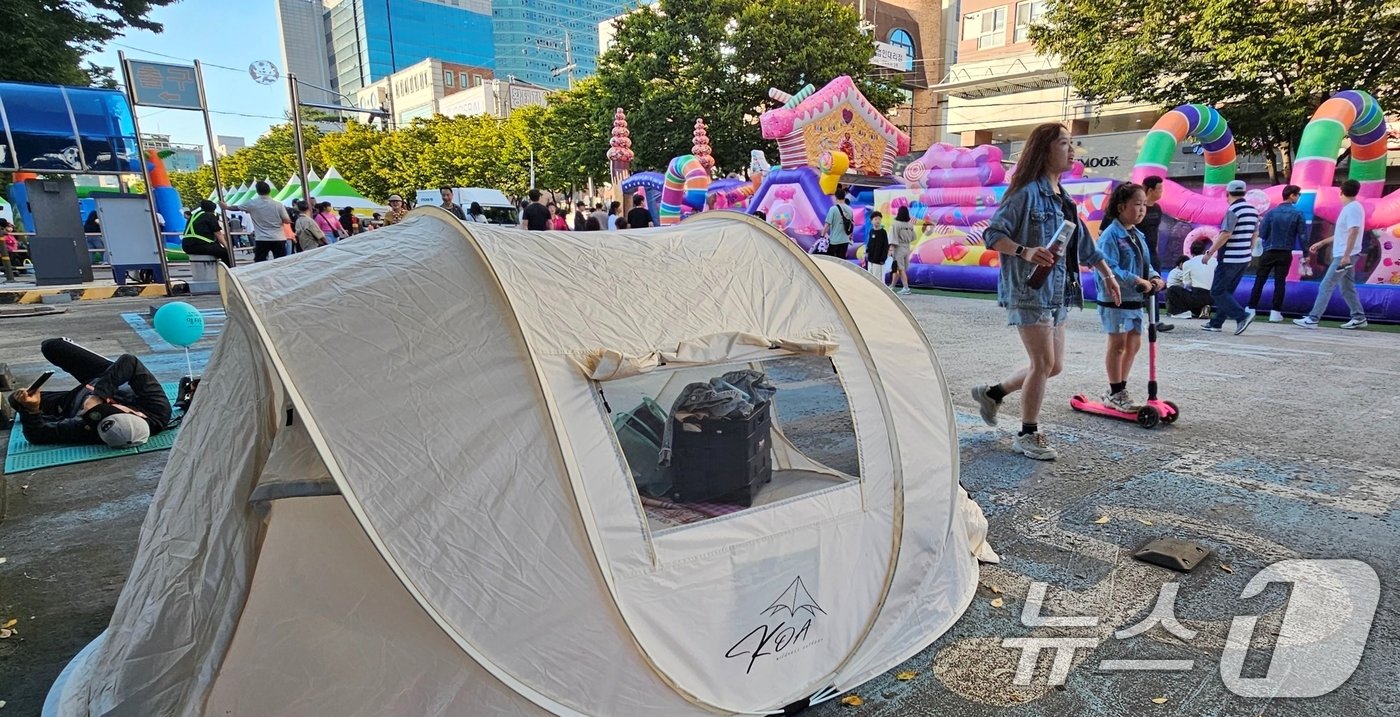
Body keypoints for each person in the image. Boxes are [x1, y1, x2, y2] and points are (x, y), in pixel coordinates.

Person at [969, 122, 1122, 461]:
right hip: (1029, 290)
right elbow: (993, 235)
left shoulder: (1064, 200)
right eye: (1064, 143)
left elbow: (1086, 246)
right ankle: (1027, 433)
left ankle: (993, 394)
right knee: (1043, 362)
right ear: (1044, 150)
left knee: (1053, 367)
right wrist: (1024, 250)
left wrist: (1108, 276)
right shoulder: (1025, 194)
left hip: (1058, 293)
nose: (1071, 150)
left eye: (1072, 144)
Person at [8, 338, 171, 448]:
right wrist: (98, 395)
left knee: (17, 400)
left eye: (91, 413)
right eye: (103, 408)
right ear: (132, 413)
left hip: (69, 402)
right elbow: (130, 361)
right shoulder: (158, 409)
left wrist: (32, 409)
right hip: (102, 377)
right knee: (52, 346)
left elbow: (38, 435)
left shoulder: (87, 429)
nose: (90, 409)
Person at [1095, 183, 1164, 412]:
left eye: (1144, 204)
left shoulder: (1137, 234)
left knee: (1133, 343)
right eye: (1137, 204)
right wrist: (1136, 280)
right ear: (1121, 206)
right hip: (1116, 298)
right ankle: (1116, 392)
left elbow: (1146, 263)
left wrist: (1154, 277)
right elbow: (1109, 267)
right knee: (1117, 344)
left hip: (1135, 299)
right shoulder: (1111, 235)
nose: (1143, 209)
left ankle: (1118, 389)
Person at [1294, 179, 1369, 330]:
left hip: (1344, 255)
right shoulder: (1351, 208)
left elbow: (1353, 231)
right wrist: (1323, 243)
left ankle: (1314, 318)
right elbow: (1344, 233)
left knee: (1327, 284)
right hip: (1346, 254)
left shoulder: (1353, 208)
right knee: (1347, 287)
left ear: (1341, 192)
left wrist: (1346, 255)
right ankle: (1358, 317)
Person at [1200, 180, 1259, 334]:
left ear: (1227, 193)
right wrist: (1249, 251)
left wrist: (1209, 252)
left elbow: (1225, 234)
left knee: (1217, 291)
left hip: (1229, 258)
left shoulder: (1233, 210)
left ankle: (1242, 316)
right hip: (1244, 257)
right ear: (1244, 193)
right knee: (1227, 292)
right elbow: (1255, 234)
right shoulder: (1253, 211)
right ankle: (1216, 322)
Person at [1250, 184, 1307, 322]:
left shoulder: (1271, 213)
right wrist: (1306, 253)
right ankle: (1275, 312)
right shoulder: (1298, 213)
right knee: (1280, 282)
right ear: (1292, 195)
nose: (1298, 197)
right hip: (1285, 252)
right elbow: (1303, 235)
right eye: (1298, 195)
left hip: (1269, 251)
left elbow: (1262, 233)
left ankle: (1250, 309)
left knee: (1259, 280)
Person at [223, 180, 290, 262]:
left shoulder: (252, 204)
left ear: (257, 191)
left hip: (262, 238)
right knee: (281, 262)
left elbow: (236, 208)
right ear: (269, 191)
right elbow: (287, 220)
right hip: (278, 237)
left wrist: (226, 207)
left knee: (259, 262)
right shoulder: (278, 205)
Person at [1166, 239, 1215, 318]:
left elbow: (1186, 284)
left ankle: (1181, 312)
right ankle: (1203, 309)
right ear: (1204, 251)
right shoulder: (1214, 261)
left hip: (1197, 295)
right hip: (1212, 296)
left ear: (1191, 252)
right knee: (1195, 300)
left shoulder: (1188, 263)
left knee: (1172, 289)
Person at [181, 199, 232, 267]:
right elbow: (218, 233)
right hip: (199, 244)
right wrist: (227, 247)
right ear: (212, 210)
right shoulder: (209, 215)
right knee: (225, 253)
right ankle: (229, 271)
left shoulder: (194, 215)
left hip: (186, 245)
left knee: (217, 247)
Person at [822, 187, 854, 260]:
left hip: (834, 240)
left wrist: (822, 235)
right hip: (845, 240)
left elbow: (827, 225)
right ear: (844, 196)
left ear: (836, 197)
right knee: (841, 262)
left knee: (831, 261)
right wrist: (851, 237)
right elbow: (852, 224)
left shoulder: (833, 209)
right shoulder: (850, 209)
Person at [890, 206, 915, 294]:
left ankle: (906, 287)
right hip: (907, 247)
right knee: (900, 267)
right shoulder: (910, 224)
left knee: (900, 268)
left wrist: (891, 249)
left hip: (899, 247)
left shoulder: (896, 223)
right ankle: (892, 285)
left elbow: (893, 237)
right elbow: (913, 237)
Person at [865, 210, 889, 283]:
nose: (877, 221)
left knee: (878, 278)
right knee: (870, 276)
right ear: (871, 221)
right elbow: (869, 243)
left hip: (878, 260)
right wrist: (867, 252)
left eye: (879, 219)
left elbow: (885, 246)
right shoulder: (871, 231)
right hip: (870, 259)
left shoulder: (883, 232)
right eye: (875, 219)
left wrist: (883, 259)